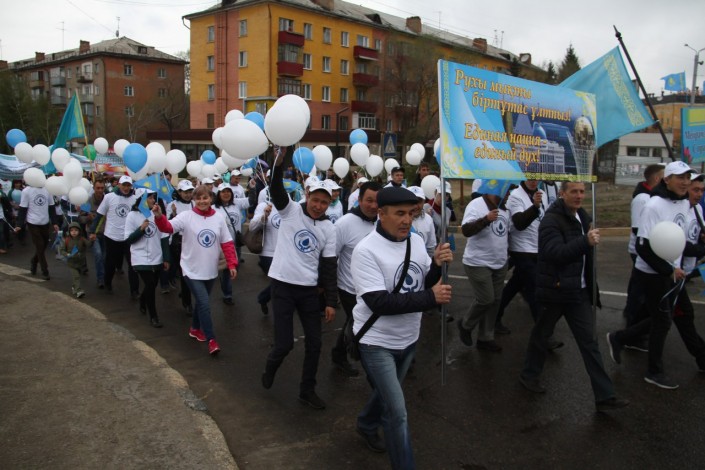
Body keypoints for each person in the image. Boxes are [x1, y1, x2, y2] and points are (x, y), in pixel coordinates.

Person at [351, 186, 452, 468]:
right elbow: (379, 302)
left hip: (408, 338)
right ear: (381, 214)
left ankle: (366, 423)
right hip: (376, 342)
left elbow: (422, 283)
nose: (407, 220)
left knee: (386, 395)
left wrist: (436, 265)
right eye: (399, 214)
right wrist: (431, 298)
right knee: (397, 412)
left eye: (411, 213)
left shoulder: (416, 241)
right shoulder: (365, 250)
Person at [519, 181, 629, 412]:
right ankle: (529, 375)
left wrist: (591, 286)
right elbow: (554, 253)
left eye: (582, 191)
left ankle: (605, 396)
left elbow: (586, 257)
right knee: (541, 335)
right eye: (574, 192)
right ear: (562, 194)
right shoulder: (551, 220)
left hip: (578, 292)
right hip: (555, 290)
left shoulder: (583, 216)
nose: (579, 196)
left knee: (589, 342)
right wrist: (585, 241)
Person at [608, 165, 703, 385]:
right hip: (652, 273)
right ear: (667, 179)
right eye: (680, 177)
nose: (685, 182)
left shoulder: (683, 203)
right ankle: (654, 372)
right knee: (662, 321)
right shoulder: (653, 205)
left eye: (687, 177)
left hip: (673, 272)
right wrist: (668, 270)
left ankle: (619, 338)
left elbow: (676, 239)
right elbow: (642, 246)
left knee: (680, 314)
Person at [260, 146, 338, 411]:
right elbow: (276, 188)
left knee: (315, 344)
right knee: (284, 345)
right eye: (315, 200)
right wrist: (279, 162)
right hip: (282, 286)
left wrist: (331, 302)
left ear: (329, 204)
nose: (318, 206)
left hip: (308, 291)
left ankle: (307, 390)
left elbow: (329, 266)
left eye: (324, 202)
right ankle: (271, 366)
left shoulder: (329, 228)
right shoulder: (290, 210)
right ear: (307, 195)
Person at [153, 185, 238, 355]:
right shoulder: (186, 216)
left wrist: (232, 264)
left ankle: (194, 328)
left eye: (205, 198)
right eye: (198, 198)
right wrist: (159, 216)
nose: (202, 201)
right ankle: (211, 339)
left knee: (201, 302)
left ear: (211, 198)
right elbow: (167, 228)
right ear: (194, 200)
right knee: (204, 303)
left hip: (210, 269)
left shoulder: (219, 217)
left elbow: (227, 242)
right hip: (191, 269)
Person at [494, 180, 563, 352]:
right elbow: (519, 223)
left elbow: (545, 219)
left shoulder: (542, 194)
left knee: (514, 285)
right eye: (529, 177)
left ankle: (494, 316)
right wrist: (534, 206)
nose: (533, 181)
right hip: (521, 250)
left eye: (535, 177)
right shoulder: (515, 196)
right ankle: (545, 335)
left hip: (537, 249)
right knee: (535, 290)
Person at [331, 181, 382, 377]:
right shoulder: (344, 223)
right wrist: (328, 289)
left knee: (355, 322)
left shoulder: (382, 221)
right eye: (369, 200)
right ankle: (347, 355)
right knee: (356, 322)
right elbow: (331, 256)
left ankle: (339, 353)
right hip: (349, 287)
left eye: (377, 201)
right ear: (359, 200)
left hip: (374, 286)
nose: (373, 206)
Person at [457, 188, 509, 352]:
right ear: (496, 190)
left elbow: (508, 233)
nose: (508, 195)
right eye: (507, 191)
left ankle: (485, 338)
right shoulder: (476, 205)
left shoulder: (505, 208)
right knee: (486, 299)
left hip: (499, 262)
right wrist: (486, 219)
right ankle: (465, 324)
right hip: (478, 262)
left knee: (495, 301)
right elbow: (466, 230)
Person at [622, 164, 664, 346]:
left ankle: (632, 323)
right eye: (665, 177)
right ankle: (631, 332)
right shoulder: (643, 198)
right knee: (639, 294)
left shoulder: (652, 196)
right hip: (640, 251)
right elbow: (638, 229)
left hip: (648, 250)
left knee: (637, 289)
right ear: (657, 179)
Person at [125, 188, 170, 328]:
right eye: (149, 198)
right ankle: (154, 316)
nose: (153, 200)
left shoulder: (157, 214)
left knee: (152, 285)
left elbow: (164, 237)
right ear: (142, 200)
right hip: (140, 258)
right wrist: (141, 229)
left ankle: (143, 300)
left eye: (153, 197)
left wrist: (166, 258)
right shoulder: (132, 216)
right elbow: (128, 239)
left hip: (156, 256)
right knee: (150, 285)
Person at [89, 175, 140, 297]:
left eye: (128, 185)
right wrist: (92, 231)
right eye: (124, 185)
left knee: (132, 264)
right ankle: (107, 283)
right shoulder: (109, 197)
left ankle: (134, 290)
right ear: (119, 185)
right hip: (112, 236)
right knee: (110, 263)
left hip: (128, 237)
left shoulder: (135, 199)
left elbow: (141, 215)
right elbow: (99, 215)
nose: (126, 188)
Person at [15, 181, 60, 280]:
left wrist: (55, 223)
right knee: (39, 245)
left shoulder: (48, 190)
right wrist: (19, 224)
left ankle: (34, 261)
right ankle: (45, 270)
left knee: (43, 245)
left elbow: (51, 207)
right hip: (32, 222)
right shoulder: (26, 191)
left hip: (45, 222)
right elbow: (23, 209)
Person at [214, 182, 250, 305]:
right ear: (218, 194)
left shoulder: (237, 204)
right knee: (227, 270)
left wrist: (253, 187)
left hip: (236, 243)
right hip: (223, 245)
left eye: (228, 191)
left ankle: (225, 284)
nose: (226, 194)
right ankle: (227, 294)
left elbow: (252, 201)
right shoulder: (214, 208)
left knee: (236, 266)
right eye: (223, 192)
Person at [250, 195, 282, 315]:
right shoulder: (264, 205)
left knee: (280, 282)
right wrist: (264, 216)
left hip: (285, 252)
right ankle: (279, 311)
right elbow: (252, 227)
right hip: (268, 253)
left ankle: (263, 298)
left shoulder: (290, 206)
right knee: (279, 281)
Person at [169, 179, 195, 315]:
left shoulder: (194, 204)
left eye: (190, 191)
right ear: (179, 192)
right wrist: (172, 214)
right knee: (184, 272)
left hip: (193, 241)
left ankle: (186, 294)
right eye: (185, 192)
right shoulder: (172, 205)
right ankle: (187, 302)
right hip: (178, 242)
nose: (188, 194)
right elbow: (168, 225)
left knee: (191, 272)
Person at [79, 179, 107, 288]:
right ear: (94, 188)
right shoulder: (88, 202)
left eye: (102, 188)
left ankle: (105, 275)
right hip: (93, 233)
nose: (100, 190)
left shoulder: (108, 200)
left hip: (106, 233)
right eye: (98, 188)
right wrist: (88, 218)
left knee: (105, 257)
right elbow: (81, 218)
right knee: (98, 255)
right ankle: (101, 279)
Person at [60, 221, 88, 298]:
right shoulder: (67, 240)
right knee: (76, 276)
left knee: (77, 276)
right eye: (72, 230)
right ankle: (79, 291)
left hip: (80, 262)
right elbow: (62, 250)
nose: (74, 232)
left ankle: (74, 287)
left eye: (76, 230)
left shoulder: (82, 239)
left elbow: (88, 244)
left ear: (79, 231)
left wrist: (92, 240)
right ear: (69, 232)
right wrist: (67, 254)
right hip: (71, 263)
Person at [408, 186, 436, 256]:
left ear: (424, 202)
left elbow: (431, 247)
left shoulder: (428, 219)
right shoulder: (399, 219)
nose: (415, 206)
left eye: (419, 201)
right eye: (412, 202)